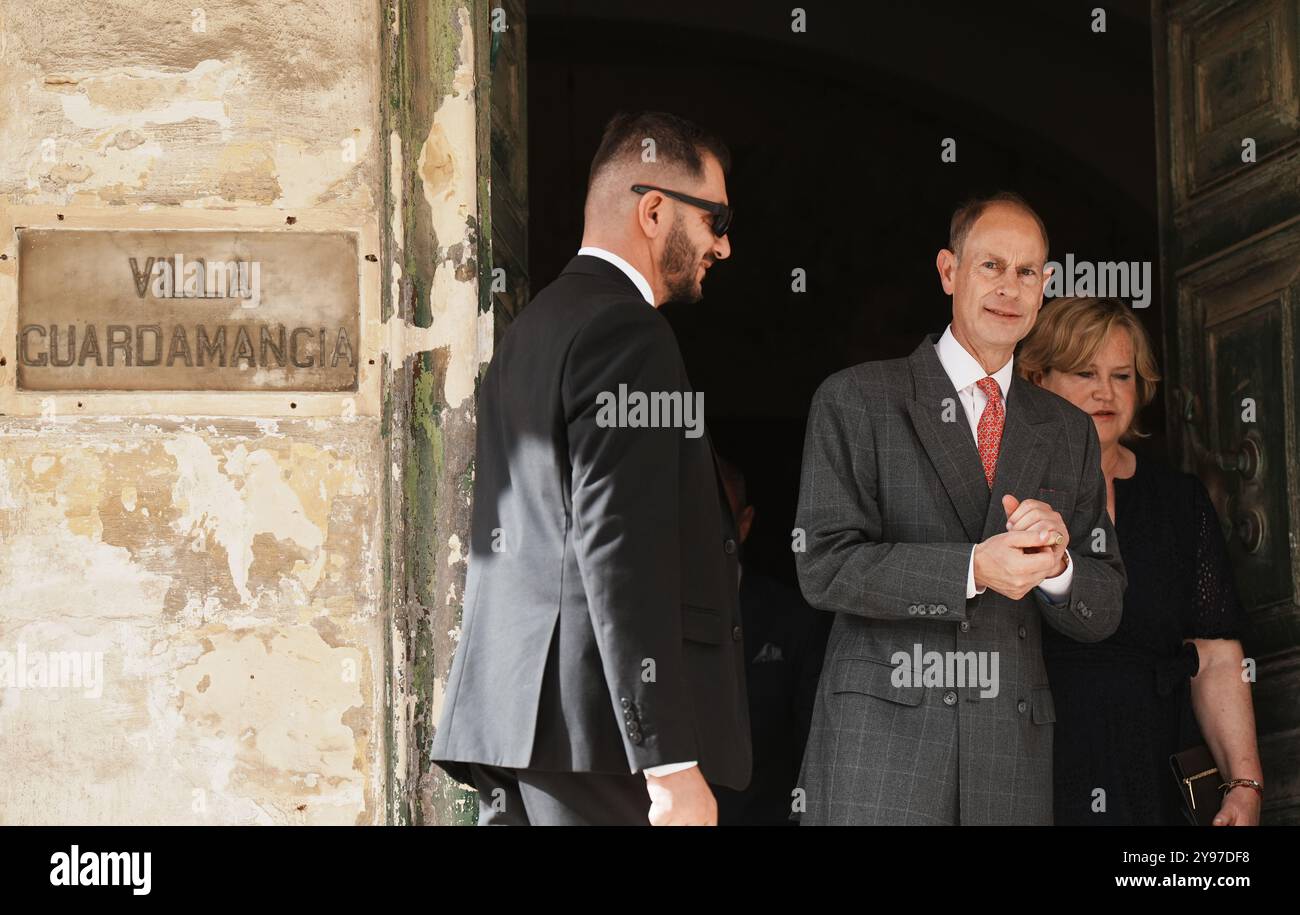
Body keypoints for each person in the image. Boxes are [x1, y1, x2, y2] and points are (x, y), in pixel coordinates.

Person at [430, 111, 750, 825]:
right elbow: (618, 544)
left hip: (517, 726)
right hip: (598, 740)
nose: (723, 247)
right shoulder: (628, 332)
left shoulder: (532, 328)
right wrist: (666, 762)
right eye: (716, 219)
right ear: (655, 209)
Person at [793, 191, 1126, 825]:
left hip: (1009, 757)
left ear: (1045, 285)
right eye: (990, 266)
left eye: (1026, 272)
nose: (1009, 287)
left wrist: (1056, 570)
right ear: (948, 271)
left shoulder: (1067, 429)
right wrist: (974, 569)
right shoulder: (858, 399)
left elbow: (1104, 602)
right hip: (883, 753)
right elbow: (824, 567)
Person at [1018, 295, 1263, 825]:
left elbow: (1217, 657)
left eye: (1122, 376)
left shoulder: (1178, 501)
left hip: (1153, 765)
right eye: (1084, 372)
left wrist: (1244, 786)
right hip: (1034, 764)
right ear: (1037, 380)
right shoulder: (1006, 496)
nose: (1105, 392)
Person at [710, 454, 831, 825]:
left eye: (716, 519)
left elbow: (813, 747)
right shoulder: (647, 618)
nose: (698, 535)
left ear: (743, 524)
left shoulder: (793, 620)